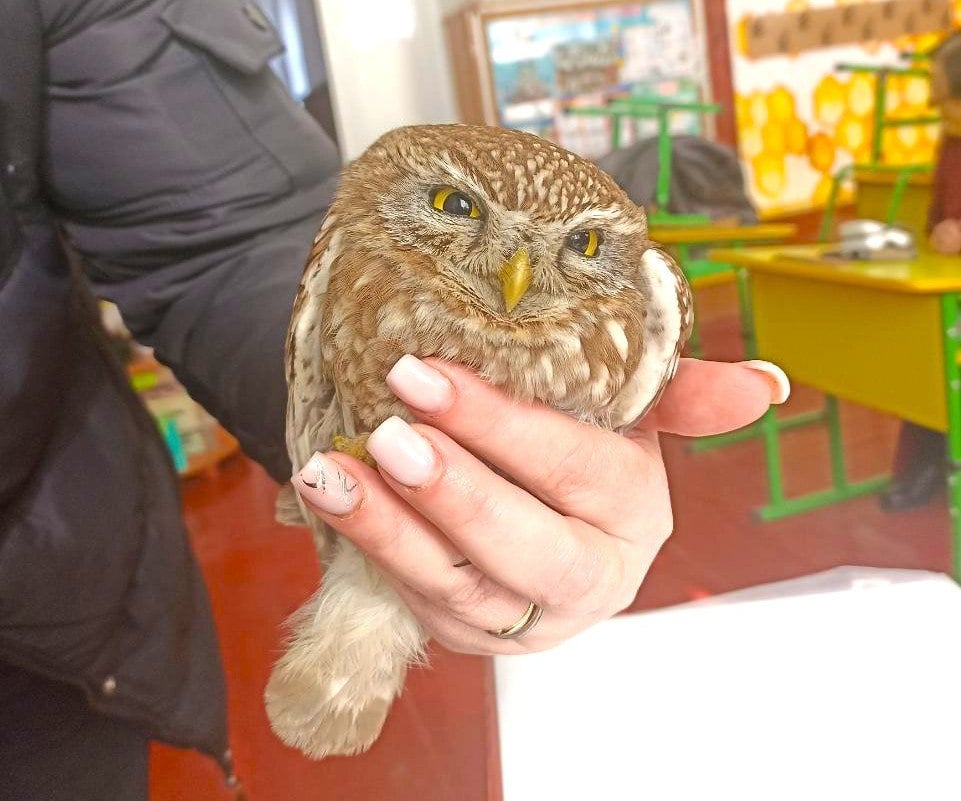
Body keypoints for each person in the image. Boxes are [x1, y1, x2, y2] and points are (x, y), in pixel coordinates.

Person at [0, 1, 785, 798]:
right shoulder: (363, 243)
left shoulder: (639, 290)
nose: (510, 276)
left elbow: (218, 239)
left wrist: (500, 526)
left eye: (581, 247)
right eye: (455, 211)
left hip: (47, 613)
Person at [880, 32, 961, 511]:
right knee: (926, 359)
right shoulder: (951, 141)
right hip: (949, 286)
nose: (934, 103)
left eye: (943, 93)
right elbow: (937, 215)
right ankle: (928, 466)